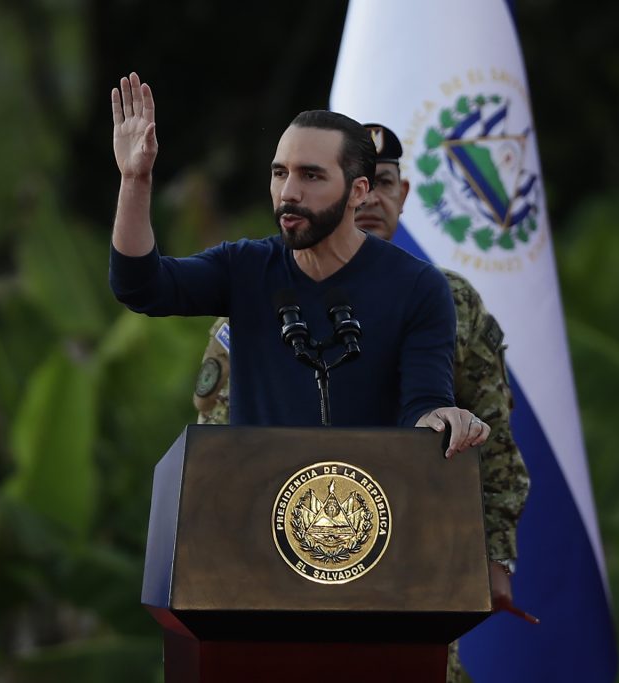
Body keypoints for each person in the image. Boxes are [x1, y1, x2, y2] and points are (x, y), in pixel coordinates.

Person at [192, 124, 531, 683]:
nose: (369, 199)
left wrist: (495, 554)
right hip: (284, 561)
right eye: (357, 184)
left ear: (401, 193)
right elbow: (223, 440)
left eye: (384, 183)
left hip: (414, 567)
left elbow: (491, 441)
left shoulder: (448, 301)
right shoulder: (262, 293)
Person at [109, 72, 490, 453]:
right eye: (280, 173)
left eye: (311, 175)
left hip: (368, 505)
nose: (289, 193)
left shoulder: (417, 287)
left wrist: (441, 418)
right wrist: (135, 179)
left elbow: (422, 406)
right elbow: (141, 286)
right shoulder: (244, 267)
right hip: (257, 502)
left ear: (358, 191)